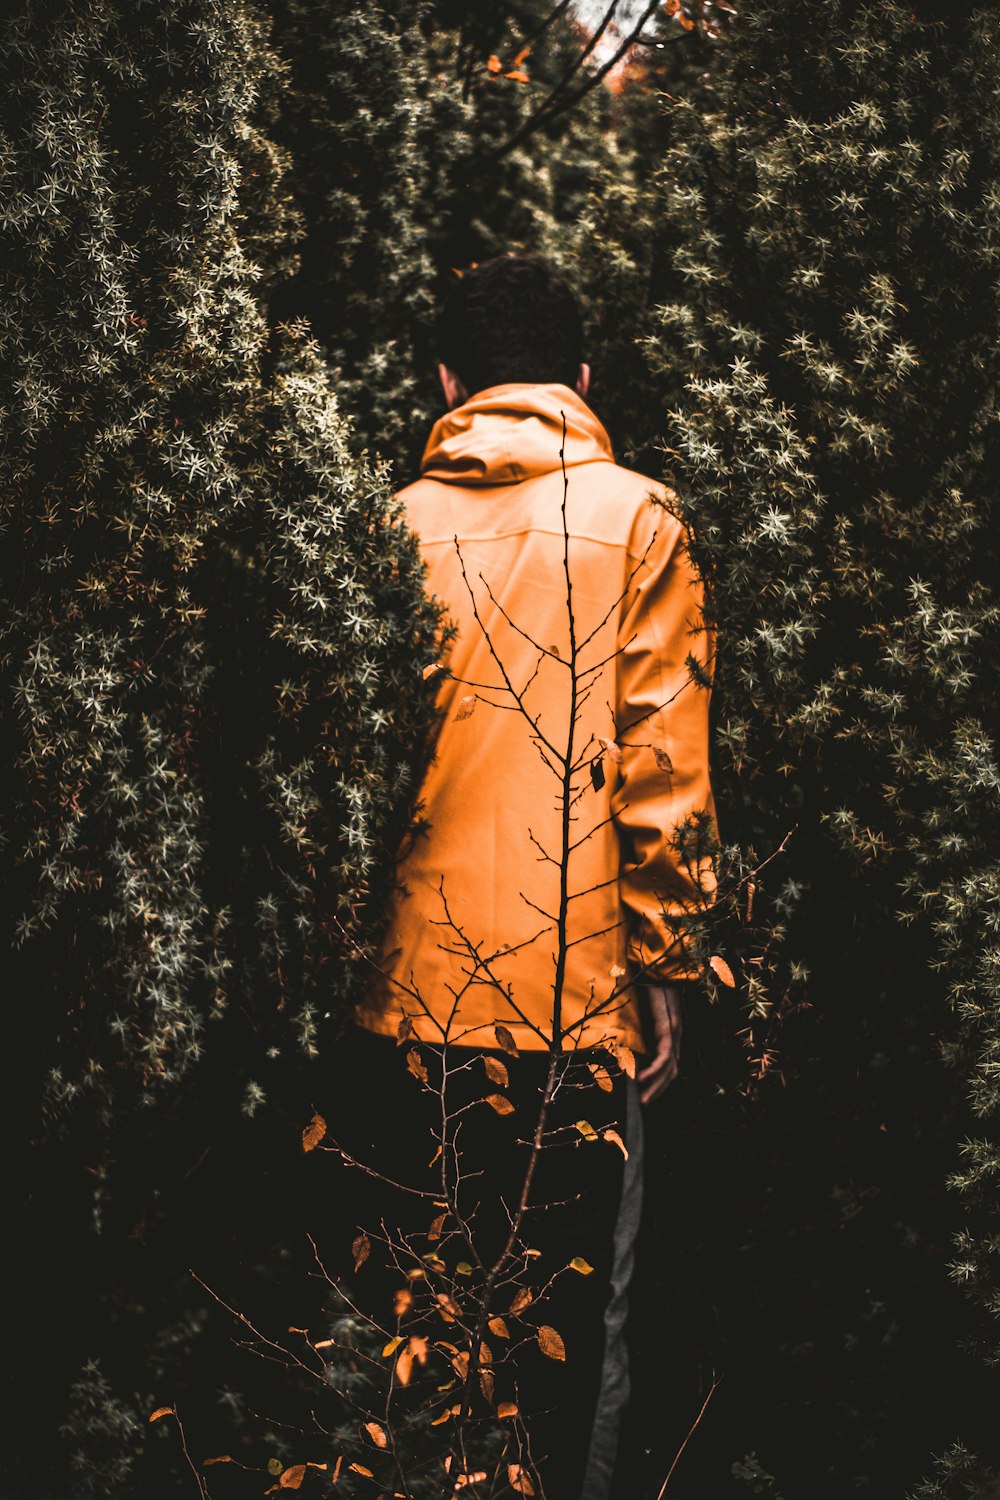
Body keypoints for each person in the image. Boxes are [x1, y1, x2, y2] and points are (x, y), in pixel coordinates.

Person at [338, 254, 715, 1500]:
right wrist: (662, 963)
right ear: (584, 380)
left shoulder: (384, 528)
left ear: (447, 382)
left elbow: (339, 779)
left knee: (403, 1317)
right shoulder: (640, 521)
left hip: (402, 999)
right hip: (574, 1001)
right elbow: (662, 765)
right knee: (568, 1336)